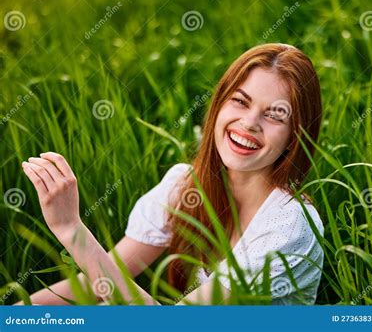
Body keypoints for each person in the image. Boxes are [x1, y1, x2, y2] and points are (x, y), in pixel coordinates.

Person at [18, 43, 324, 305]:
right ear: (218, 104)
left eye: (274, 115)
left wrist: (71, 230)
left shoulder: (288, 226)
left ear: (296, 135)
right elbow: (99, 282)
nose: (249, 123)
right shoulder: (186, 186)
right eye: (240, 101)